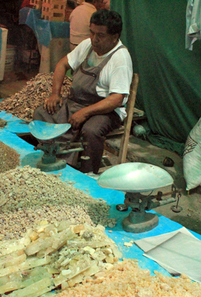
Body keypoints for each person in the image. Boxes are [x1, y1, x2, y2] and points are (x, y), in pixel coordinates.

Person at [33, 9, 133, 174]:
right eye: (92, 33)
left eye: (100, 35)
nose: (94, 39)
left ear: (115, 37)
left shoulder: (120, 59)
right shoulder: (87, 46)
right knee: (42, 113)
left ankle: (88, 173)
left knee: (91, 131)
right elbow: (62, 65)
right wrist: (55, 94)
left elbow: (116, 99)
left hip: (105, 110)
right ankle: (58, 157)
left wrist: (85, 112)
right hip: (76, 102)